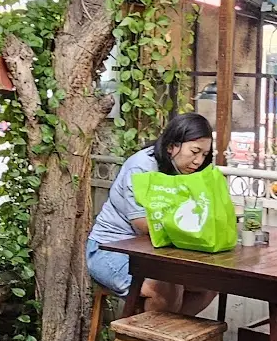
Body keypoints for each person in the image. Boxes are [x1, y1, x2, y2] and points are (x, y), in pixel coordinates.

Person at [84, 113, 220, 317]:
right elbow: (144, 224)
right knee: (165, 289)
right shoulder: (142, 167)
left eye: (204, 154)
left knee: (209, 285)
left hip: (155, 253)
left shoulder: (187, 171)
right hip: (111, 249)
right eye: (194, 151)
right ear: (172, 145)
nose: (199, 161)